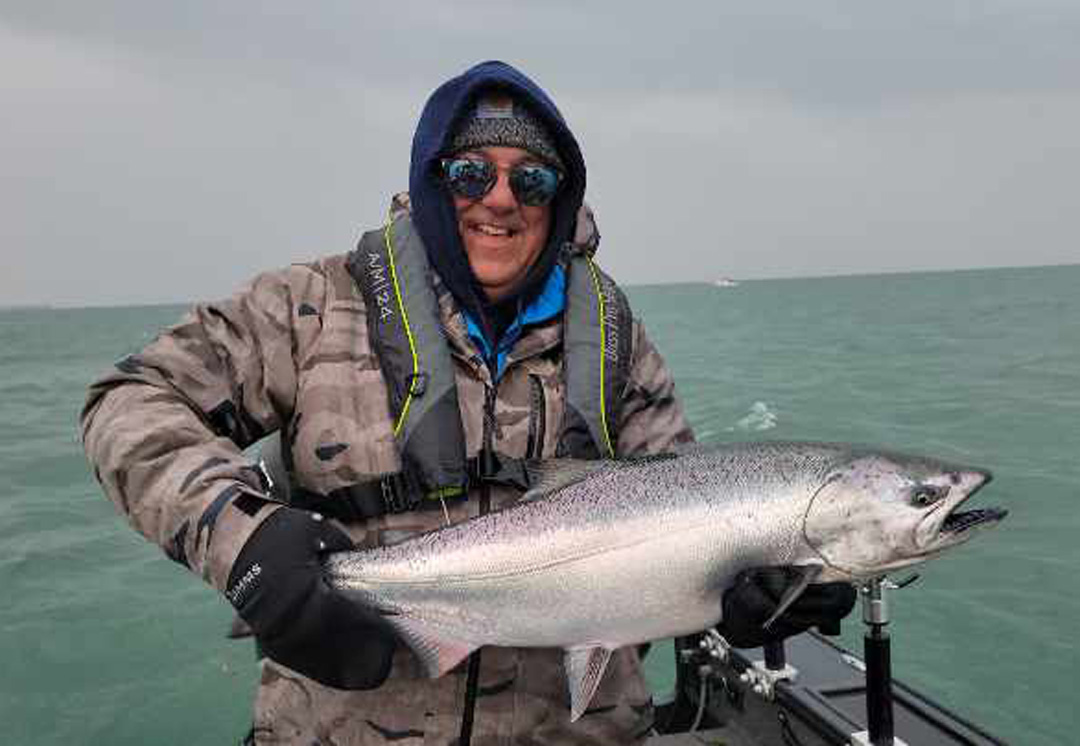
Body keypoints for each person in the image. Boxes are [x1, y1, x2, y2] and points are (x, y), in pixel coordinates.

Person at [81, 61, 854, 745]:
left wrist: (747, 590)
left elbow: (684, 496)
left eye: (533, 179)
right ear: (430, 178)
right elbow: (132, 401)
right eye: (470, 174)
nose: (501, 200)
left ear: (561, 196)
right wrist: (240, 538)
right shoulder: (308, 307)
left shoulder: (613, 335)